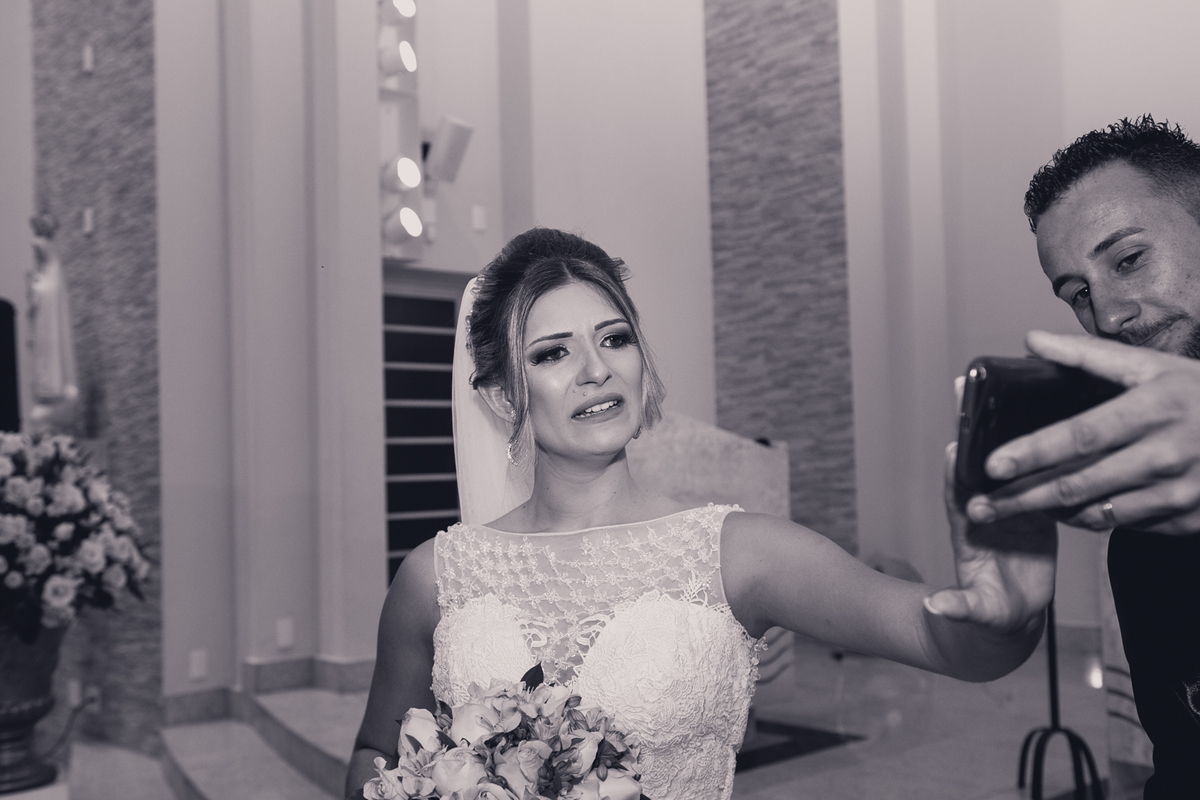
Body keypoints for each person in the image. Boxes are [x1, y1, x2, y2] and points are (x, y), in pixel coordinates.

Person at [347, 228, 1057, 800]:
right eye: (553, 353)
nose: (596, 369)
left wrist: (1008, 616)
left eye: (615, 338)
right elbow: (377, 753)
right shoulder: (436, 575)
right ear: (505, 396)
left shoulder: (735, 553)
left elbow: (950, 645)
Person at [962, 116, 1200, 797]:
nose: (1108, 317)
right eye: (1078, 294)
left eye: (1128, 259)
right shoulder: (1142, 542)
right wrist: (1000, 632)